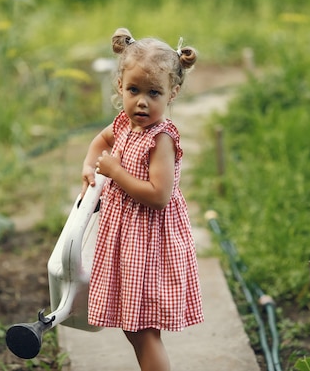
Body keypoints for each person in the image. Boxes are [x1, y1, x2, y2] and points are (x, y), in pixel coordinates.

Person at [81, 28, 204, 371]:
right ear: (120, 85)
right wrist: (90, 167)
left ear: (172, 93)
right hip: (126, 239)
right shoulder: (123, 123)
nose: (142, 102)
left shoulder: (161, 138)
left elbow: (159, 196)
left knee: (143, 329)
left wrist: (117, 174)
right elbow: (99, 142)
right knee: (132, 327)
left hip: (150, 243)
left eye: (154, 93)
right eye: (134, 90)